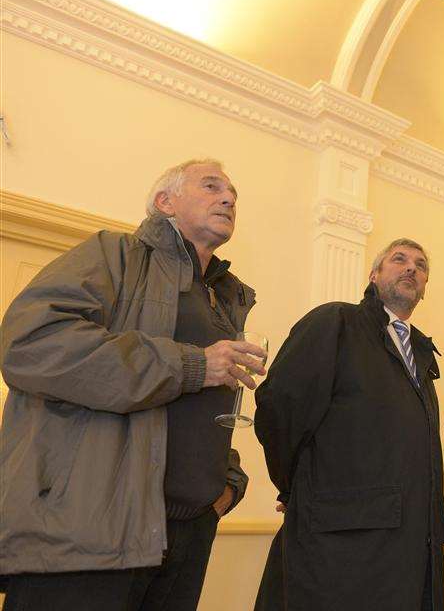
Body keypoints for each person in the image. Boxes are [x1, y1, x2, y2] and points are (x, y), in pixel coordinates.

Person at [0, 158, 266, 610]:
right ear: (165, 202)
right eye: (211, 186)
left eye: (233, 192)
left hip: (187, 535)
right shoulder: (112, 254)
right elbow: (30, 343)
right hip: (89, 533)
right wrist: (193, 364)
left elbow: (203, 409)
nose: (229, 198)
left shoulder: (224, 296)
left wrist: (226, 483)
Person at [254, 238, 444, 611]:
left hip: (407, 545)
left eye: (421, 265)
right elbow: (280, 406)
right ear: (375, 274)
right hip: (340, 542)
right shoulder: (336, 321)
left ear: (425, 288)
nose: (412, 268)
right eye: (399, 259)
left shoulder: (422, 354)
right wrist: (296, 483)